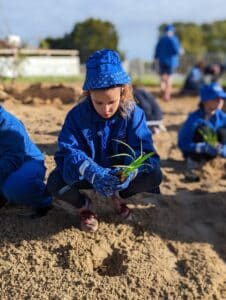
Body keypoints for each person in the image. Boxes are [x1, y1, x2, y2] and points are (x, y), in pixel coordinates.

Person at [47, 49, 162, 232]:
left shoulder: (133, 114)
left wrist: (128, 172)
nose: (106, 109)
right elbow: (69, 150)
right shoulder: (77, 116)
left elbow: (143, 150)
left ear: (122, 92)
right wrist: (92, 171)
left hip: (118, 176)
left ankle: (119, 196)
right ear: (89, 93)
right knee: (54, 183)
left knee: (154, 175)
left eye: (112, 102)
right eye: (98, 102)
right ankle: (84, 205)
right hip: (88, 174)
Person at [0, 106, 52, 217]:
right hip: (5, 166)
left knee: (15, 187)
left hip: (27, 162)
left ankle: (46, 199)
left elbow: (13, 159)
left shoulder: (8, 124)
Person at [178, 82, 226, 182]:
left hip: (217, 153)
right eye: (216, 98)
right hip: (197, 153)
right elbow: (183, 143)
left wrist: (223, 149)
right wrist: (202, 147)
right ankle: (193, 164)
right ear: (205, 100)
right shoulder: (194, 120)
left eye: (221, 98)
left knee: (222, 132)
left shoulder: (222, 117)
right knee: (202, 129)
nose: (220, 101)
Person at [154, 24, 181, 101]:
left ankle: (162, 89)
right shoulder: (174, 39)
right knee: (169, 78)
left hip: (162, 61)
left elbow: (156, 51)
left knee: (162, 77)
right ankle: (167, 95)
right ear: (172, 31)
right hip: (171, 62)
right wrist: (181, 51)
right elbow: (176, 51)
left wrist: (156, 58)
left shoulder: (161, 39)